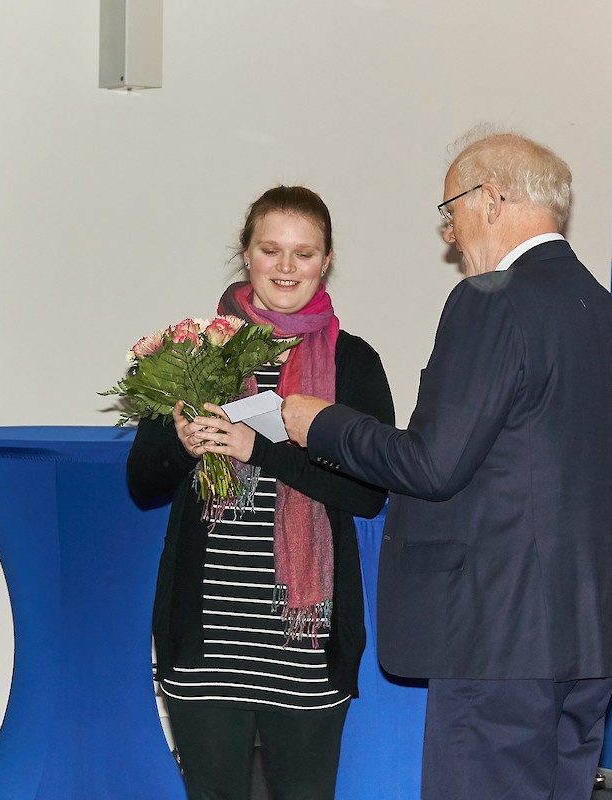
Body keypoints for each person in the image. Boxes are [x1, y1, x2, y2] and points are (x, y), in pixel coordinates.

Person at [281, 129, 612, 799]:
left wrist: (321, 423)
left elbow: (432, 464)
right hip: (589, 632)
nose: (449, 234)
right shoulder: (611, 317)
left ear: (492, 200)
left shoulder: (491, 299)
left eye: (451, 210)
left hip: (498, 631)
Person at [126, 185, 395, 800]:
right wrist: (181, 446)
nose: (286, 267)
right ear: (246, 253)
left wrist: (261, 451)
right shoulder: (193, 355)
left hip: (305, 640)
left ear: (326, 261)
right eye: (271, 250)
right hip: (208, 635)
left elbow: (368, 496)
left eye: (304, 253)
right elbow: (142, 483)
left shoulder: (353, 363)